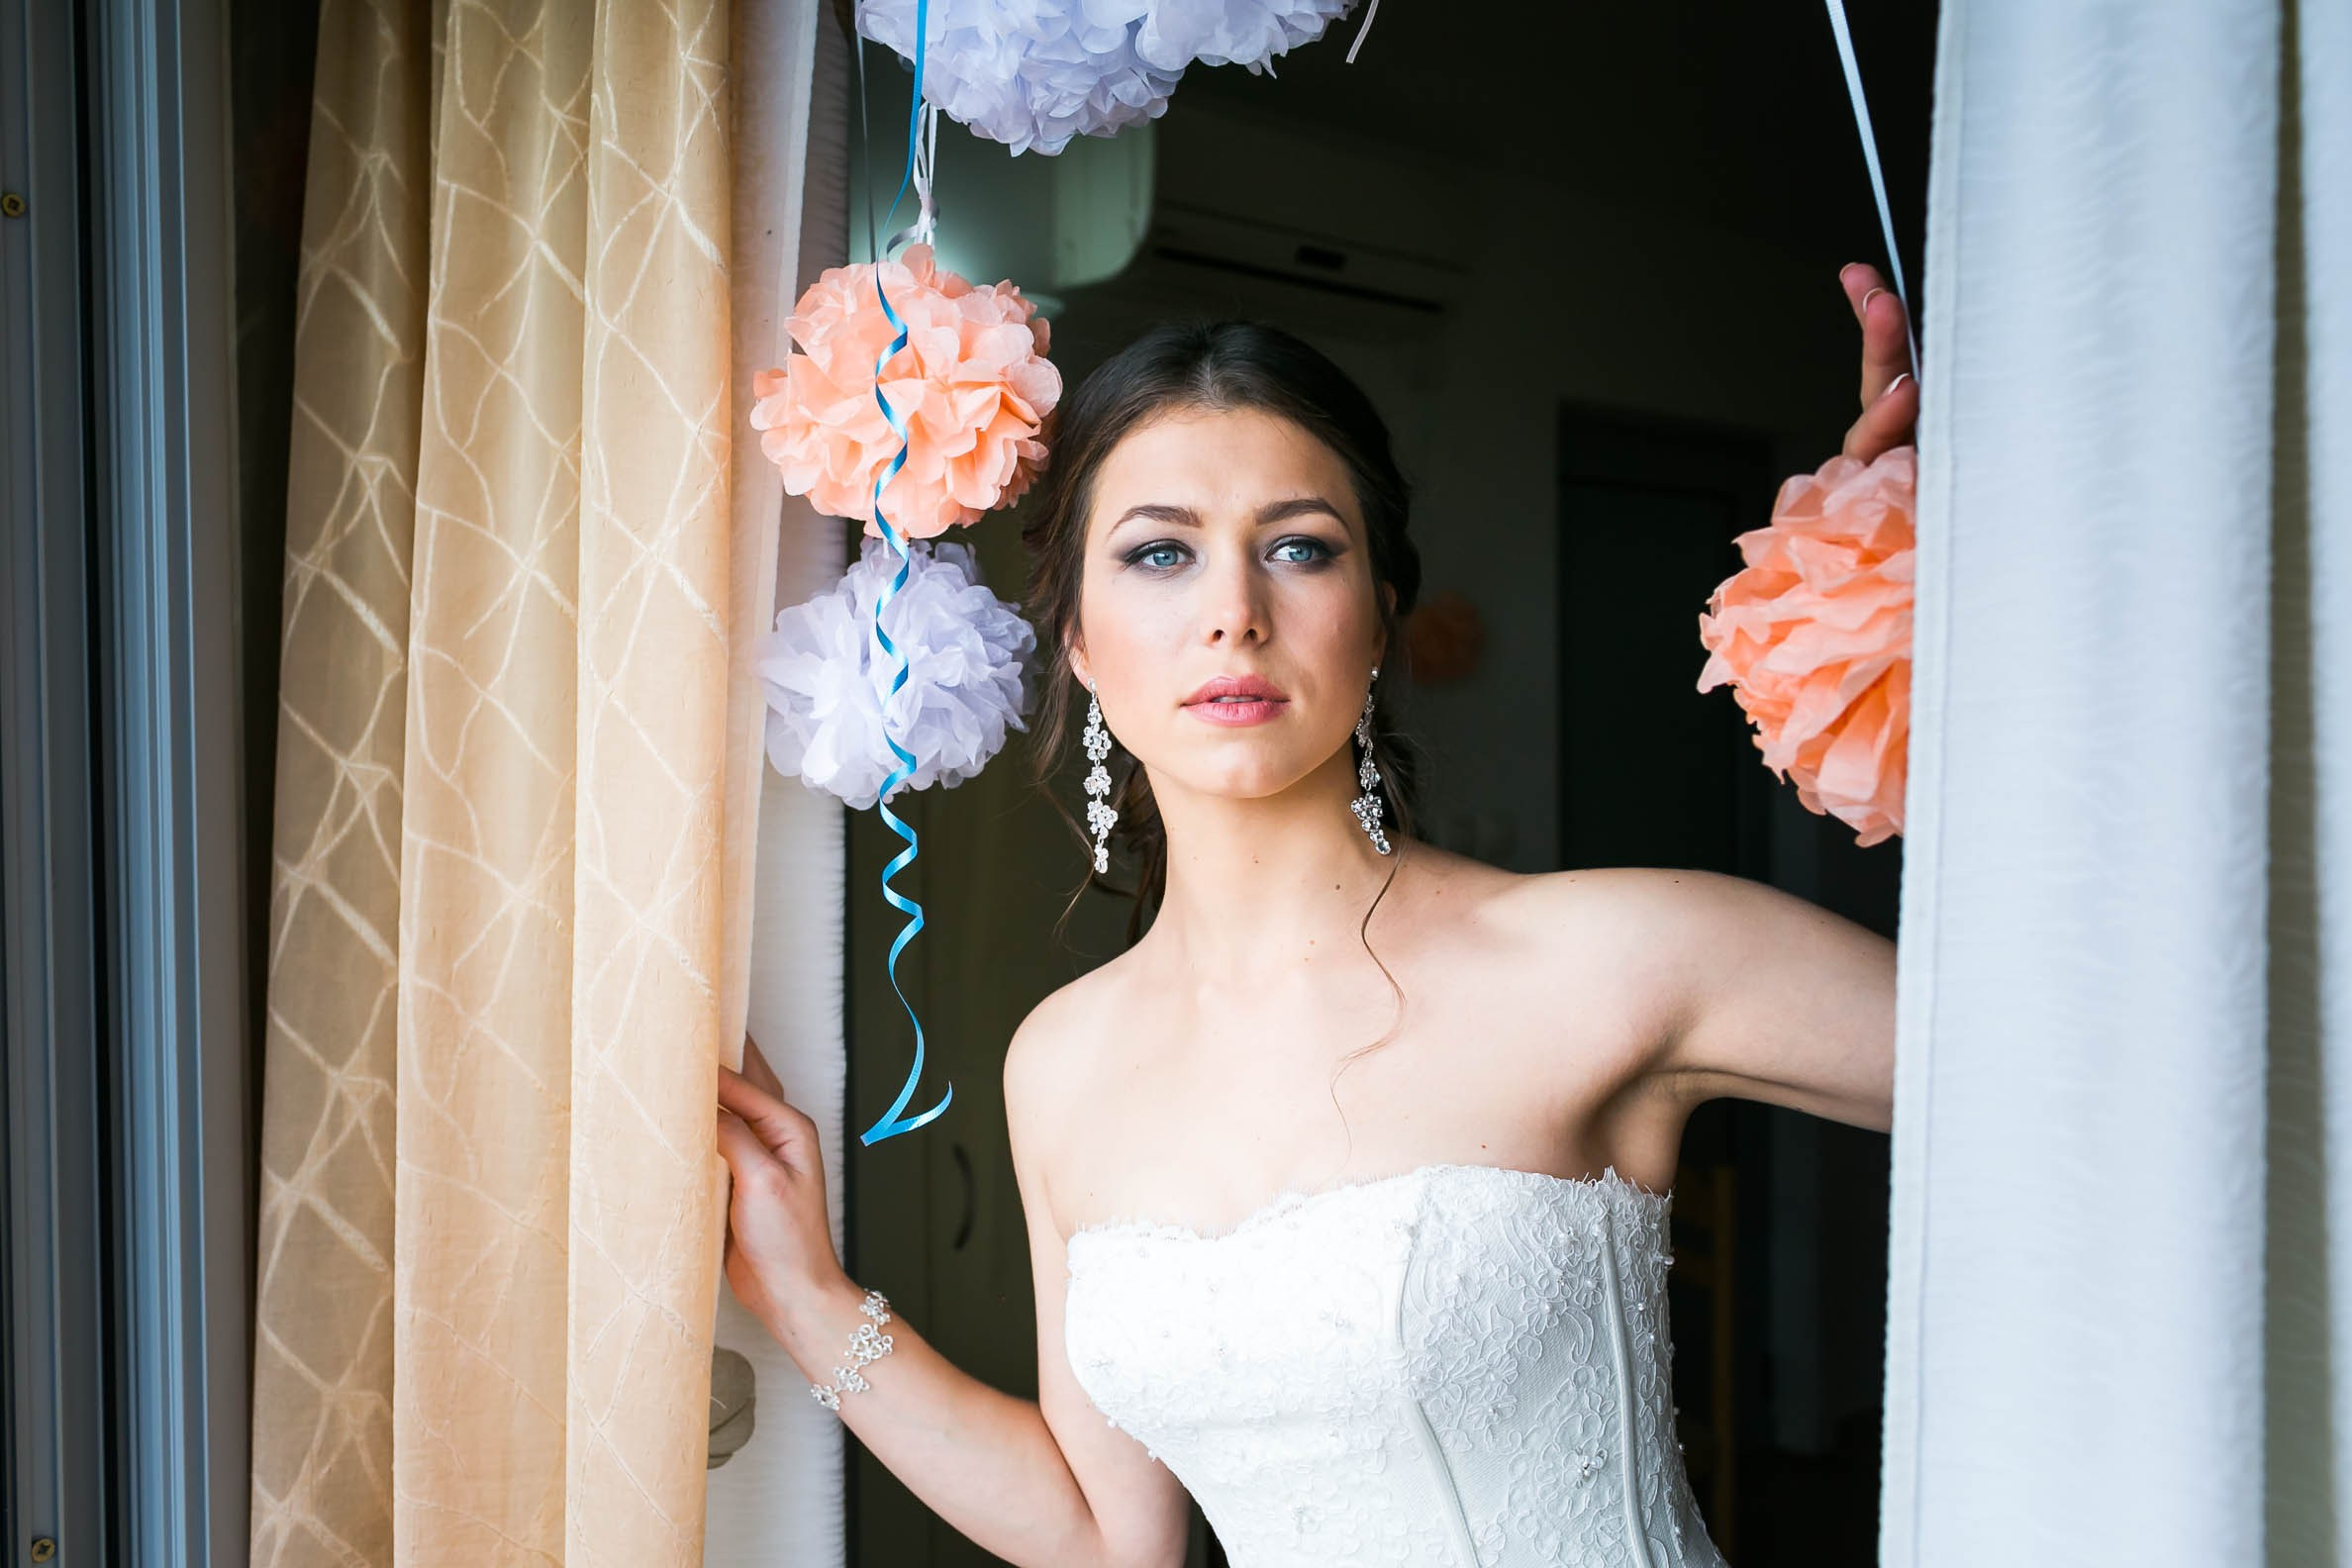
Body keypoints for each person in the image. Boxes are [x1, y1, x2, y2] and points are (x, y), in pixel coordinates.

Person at [716, 262, 1916, 1567]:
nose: (1234, 612)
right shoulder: (1061, 1064)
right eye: (1160, 553)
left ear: (1380, 613)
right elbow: (1114, 1541)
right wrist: (806, 1296)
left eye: (1299, 547)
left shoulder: (1613, 955)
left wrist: (1931, 599)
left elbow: (2088, 1080)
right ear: (1074, 636)